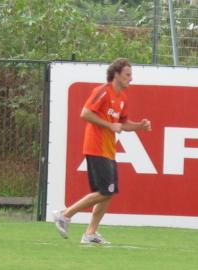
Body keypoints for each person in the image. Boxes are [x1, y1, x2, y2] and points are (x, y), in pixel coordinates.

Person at [53, 58, 151, 245]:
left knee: (108, 192)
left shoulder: (122, 98)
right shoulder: (102, 91)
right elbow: (85, 113)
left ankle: (90, 233)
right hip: (95, 147)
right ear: (116, 74)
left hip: (108, 150)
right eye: (127, 75)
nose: (131, 78)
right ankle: (64, 214)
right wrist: (109, 125)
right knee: (106, 191)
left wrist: (140, 126)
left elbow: (122, 124)